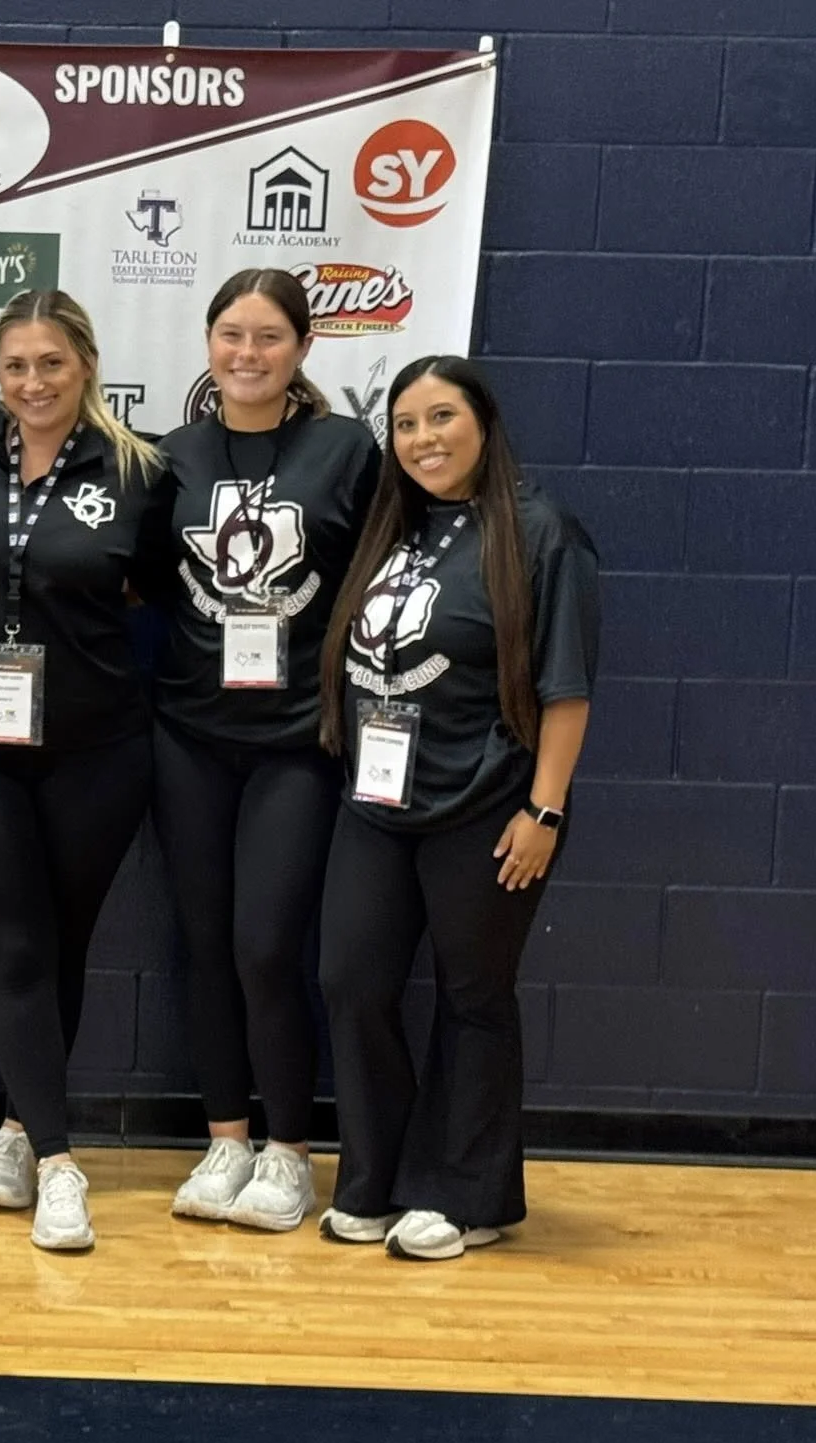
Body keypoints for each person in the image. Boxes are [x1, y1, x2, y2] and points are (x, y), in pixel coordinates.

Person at [315, 356, 599, 1261]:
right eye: (404, 424)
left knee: (475, 999)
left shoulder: (544, 532)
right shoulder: (395, 527)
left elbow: (566, 690)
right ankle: (377, 1177)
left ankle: (465, 1197)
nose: (423, 440)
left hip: (488, 806)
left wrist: (544, 812)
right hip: (376, 801)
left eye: (441, 419)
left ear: (483, 424)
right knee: (352, 982)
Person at [0, 290, 170, 1252]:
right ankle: (62, 1166)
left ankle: (20, 1131)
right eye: (15, 366)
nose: (32, 384)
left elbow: (150, 590)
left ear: (87, 368)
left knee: (61, 945)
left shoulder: (141, 470)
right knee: (15, 945)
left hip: (96, 747)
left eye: (52, 365)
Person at [150, 269, 380, 1232]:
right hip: (190, 734)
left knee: (266, 946)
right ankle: (226, 1139)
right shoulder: (170, 453)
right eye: (231, 335)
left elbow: (380, 574)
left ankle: (289, 1153)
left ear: (302, 349)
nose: (247, 354)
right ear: (208, 344)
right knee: (205, 947)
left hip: (296, 739)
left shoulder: (344, 449)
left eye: (269, 338)